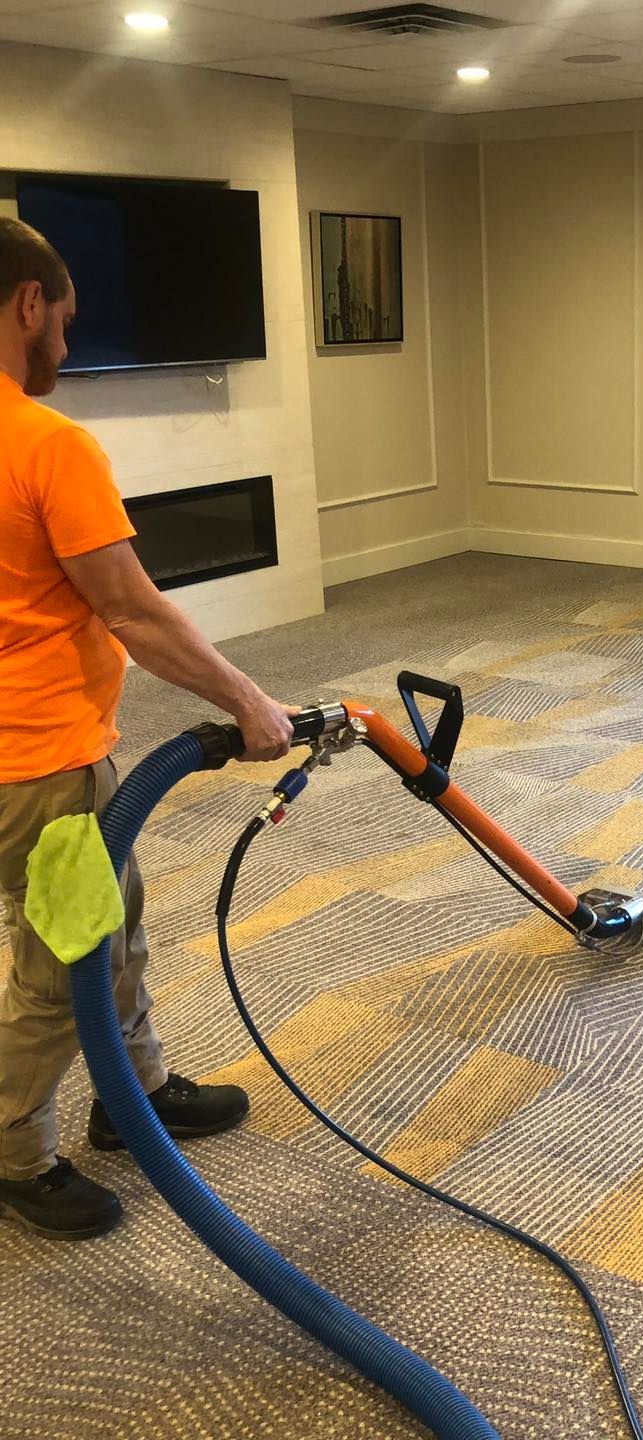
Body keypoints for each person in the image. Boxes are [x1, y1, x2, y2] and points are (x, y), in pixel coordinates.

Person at [0, 217, 296, 1241]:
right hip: (39, 761)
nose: (68, 349)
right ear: (28, 304)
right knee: (62, 967)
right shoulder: (47, 445)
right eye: (66, 322)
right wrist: (250, 706)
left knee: (109, 922)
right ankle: (15, 1152)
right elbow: (132, 611)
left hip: (26, 758)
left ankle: (138, 1094)